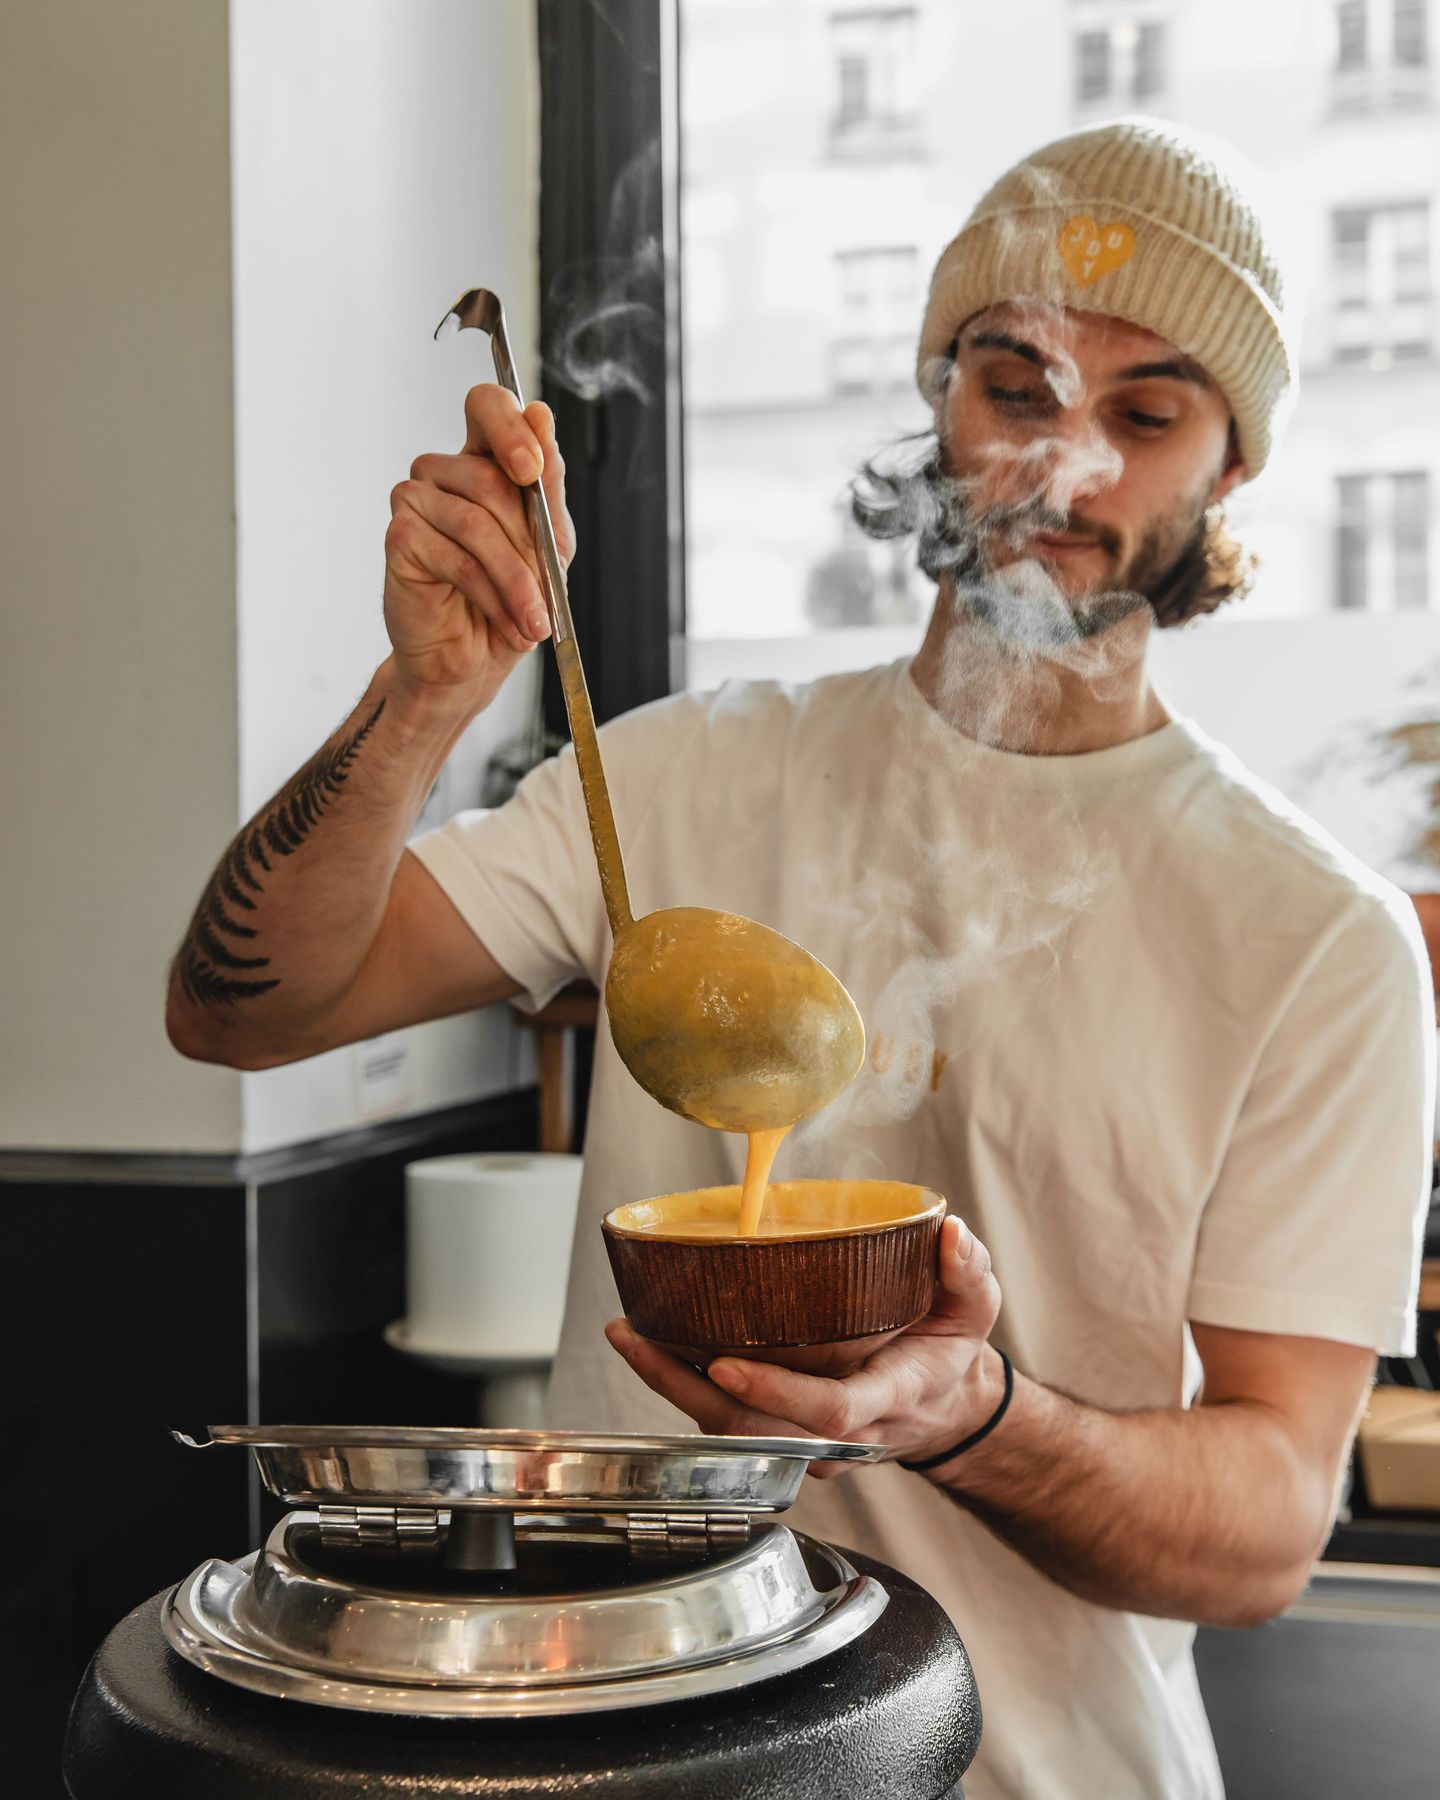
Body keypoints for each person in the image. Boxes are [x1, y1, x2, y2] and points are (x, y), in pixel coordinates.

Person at [167, 120, 1435, 1800]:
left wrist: (973, 1418)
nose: (1064, 465)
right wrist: (420, 702)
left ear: (1231, 467)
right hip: (621, 1761)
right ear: (938, 399)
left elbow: (1264, 1535)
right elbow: (245, 1011)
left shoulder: (1316, 935)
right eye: (1017, 388)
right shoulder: (680, 777)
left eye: (1146, 416)